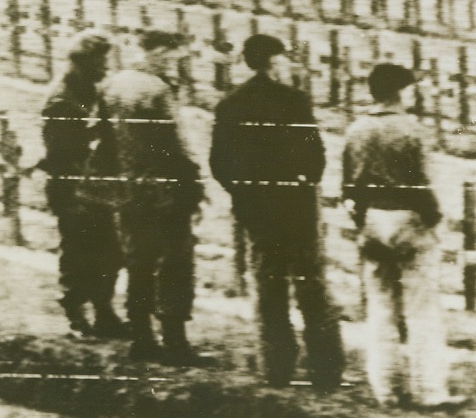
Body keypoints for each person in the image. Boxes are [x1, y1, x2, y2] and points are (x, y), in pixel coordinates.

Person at [210, 34, 345, 390]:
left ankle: (277, 368)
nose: (289, 64)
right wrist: (305, 183)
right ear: (273, 62)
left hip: (257, 211)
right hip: (297, 207)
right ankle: (325, 370)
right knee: (311, 286)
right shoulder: (294, 101)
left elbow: (219, 164)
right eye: (284, 58)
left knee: (269, 287)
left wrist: (244, 193)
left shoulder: (231, 105)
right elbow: (315, 153)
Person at [342, 62, 465, 410]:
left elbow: (349, 186)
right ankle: (429, 390)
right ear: (401, 92)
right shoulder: (412, 130)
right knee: (421, 309)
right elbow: (422, 184)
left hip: (372, 221)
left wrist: (362, 219)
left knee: (380, 308)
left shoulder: (357, 130)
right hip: (408, 220)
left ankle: (386, 389)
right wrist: (433, 219)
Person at [104, 29, 211, 366]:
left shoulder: (115, 83)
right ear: (161, 53)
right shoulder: (158, 89)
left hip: (127, 184)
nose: (177, 64)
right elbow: (179, 143)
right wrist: (196, 181)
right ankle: (176, 343)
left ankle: (141, 337)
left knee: (139, 261)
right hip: (165, 188)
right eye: (175, 57)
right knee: (177, 262)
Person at [38, 29, 128, 340]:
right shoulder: (63, 100)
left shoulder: (88, 92)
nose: (106, 68)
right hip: (72, 187)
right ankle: (74, 316)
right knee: (78, 252)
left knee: (109, 251)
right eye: (101, 61)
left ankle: (104, 313)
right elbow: (63, 154)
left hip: (93, 186)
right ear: (84, 62)